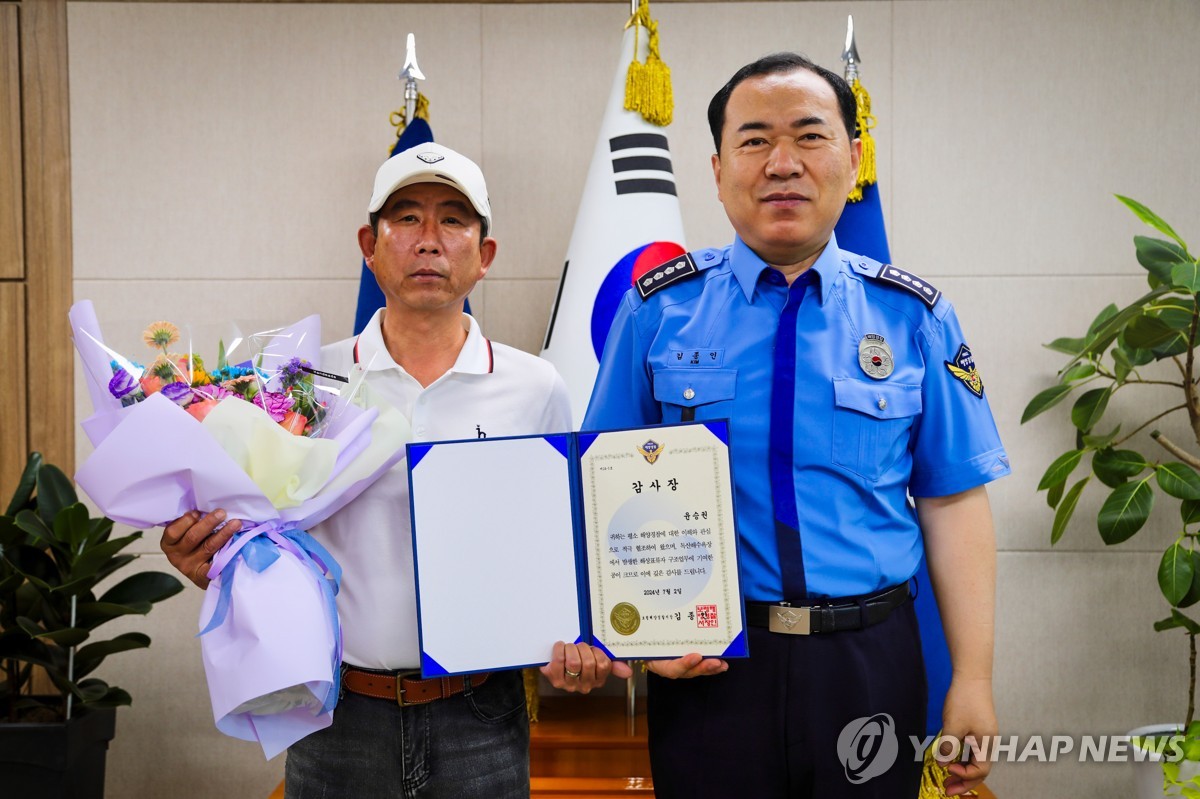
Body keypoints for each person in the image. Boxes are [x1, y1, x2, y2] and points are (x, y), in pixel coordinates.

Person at [584, 52, 1009, 798]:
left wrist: (971, 677)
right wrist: (640, 641)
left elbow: (953, 501)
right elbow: (599, 487)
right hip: (712, 666)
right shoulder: (657, 311)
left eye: (809, 136)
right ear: (717, 170)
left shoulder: (914, 317)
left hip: (870, 662)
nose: (782, 163)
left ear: (852, 157)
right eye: (754, 140)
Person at [161, 143, 631, 798]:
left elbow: (565, 544)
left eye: (454, 220)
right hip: (339, 712)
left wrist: (585, 637)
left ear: (485, 254)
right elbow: (260, 541)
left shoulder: (536, 387)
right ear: (370, 245)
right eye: (406, 218)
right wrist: (208, 554)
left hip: (481, 713)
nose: (429, 241)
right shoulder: (304, 386)